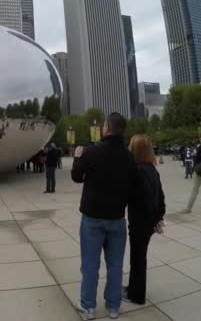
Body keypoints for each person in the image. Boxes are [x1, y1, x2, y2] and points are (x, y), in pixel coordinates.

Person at [71, 113, 138, 319]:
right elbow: (133, 187)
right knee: (115, 264)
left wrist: (77, 157)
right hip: (117, 217)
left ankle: (89, 307)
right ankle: (113, 307)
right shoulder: (128, 156)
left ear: (107, 128)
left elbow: (76, 177)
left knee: (90, 264)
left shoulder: (92, 152)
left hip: (93, 217)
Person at [124, 134, 166, 306]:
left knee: (138, 259)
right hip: (148, 221)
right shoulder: (151, 168)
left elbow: (147, 198)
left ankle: (137, 295)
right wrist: (159, 217)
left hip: (140, 222)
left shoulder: (138, 170)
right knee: (138, 258)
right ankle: (133, 288)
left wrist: (154, 219)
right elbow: (160, 196)